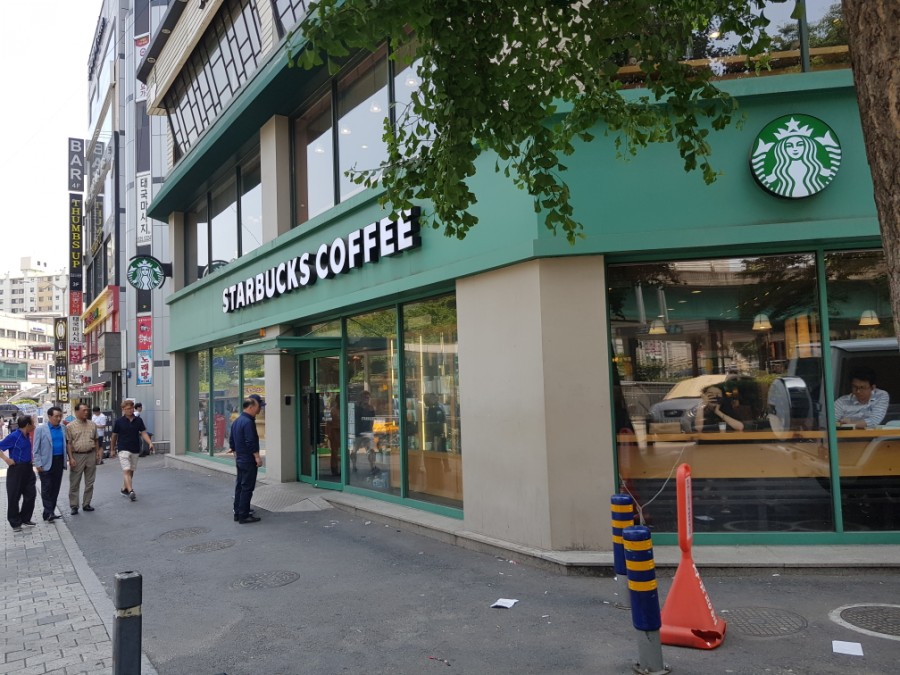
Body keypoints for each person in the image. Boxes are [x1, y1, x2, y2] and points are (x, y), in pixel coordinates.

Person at [110, 399, 154, 502]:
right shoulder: (119, 422)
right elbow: (114, 436)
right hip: (123, 448)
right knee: (126, 469)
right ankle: (131, 491)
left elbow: (143, 432)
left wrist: (150, 443)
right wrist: (112, 449)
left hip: (135, 448)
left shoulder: (138, 420)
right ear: (123, 409)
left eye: (131, 408)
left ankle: (124, 488)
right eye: (127, 409)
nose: (130, 410)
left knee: (131, 470)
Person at [229, 394, 264, 523]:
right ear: (251, 406)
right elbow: (250, 441)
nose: (260, 409)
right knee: (247, 487)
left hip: (240, 459)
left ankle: (238, 511)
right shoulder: (248, 422)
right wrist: (257, 457)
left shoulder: (237, 421)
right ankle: (244, 515)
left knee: (240, 485)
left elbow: (232, 441)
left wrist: (236, 454)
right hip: (248, 459)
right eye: (259, 406)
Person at [1, 415, 37, 532]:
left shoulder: (28, 435)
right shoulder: (14, 436)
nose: (34, 425)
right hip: (16, 469)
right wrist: (7, 459)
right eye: (33, 423)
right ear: (27, 425)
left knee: (31, 494)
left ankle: (25, 518)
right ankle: (15, 522)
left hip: (28, 468)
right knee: (14, 496)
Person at [66, 402, 101, 515]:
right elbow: (69, 443)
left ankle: (86, 504)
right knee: (75, 482)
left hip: (91, 454)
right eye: (83, 410)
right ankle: (74, 506)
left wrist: (97, 453)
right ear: (77, 412)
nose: (86, 412)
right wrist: (70, 458)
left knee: (90, 481)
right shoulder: (70, 426)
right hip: (77, 456)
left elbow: (96, 440)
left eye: (87, 410)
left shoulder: (92, 424)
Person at [33, 407, 66, 522]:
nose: (59, 418)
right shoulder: (41, 429)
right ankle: (49, 512)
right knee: (47, 488)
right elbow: (36, 449)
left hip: (59, 461)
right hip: (45, 462)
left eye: (60, 416)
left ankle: (48, 512)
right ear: (49, 416)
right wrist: (38, 463)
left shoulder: (63, 428)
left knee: (55, 488)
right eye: (56, 416)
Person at [350, 391, 377, 474]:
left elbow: (372, 420)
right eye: (365, 397)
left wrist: (371, 430)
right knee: (354, 450)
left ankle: (372, 467)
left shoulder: (370, 408)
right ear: (361, 398)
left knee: (370, 450)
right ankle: (354, 466)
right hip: (357, 432)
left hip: (367, 432)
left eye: (368, 398)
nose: (367, 399)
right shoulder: (356, 407)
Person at [326, 393, 341, 477]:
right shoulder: (332, 410)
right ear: (336, 401)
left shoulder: (345, 409)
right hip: (334, 432)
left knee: (344, 451)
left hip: (343, 432)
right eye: (339, 399)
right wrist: (329, 434)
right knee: (334, 452)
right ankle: (334, 469)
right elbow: (327, 423)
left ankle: (344, 469)